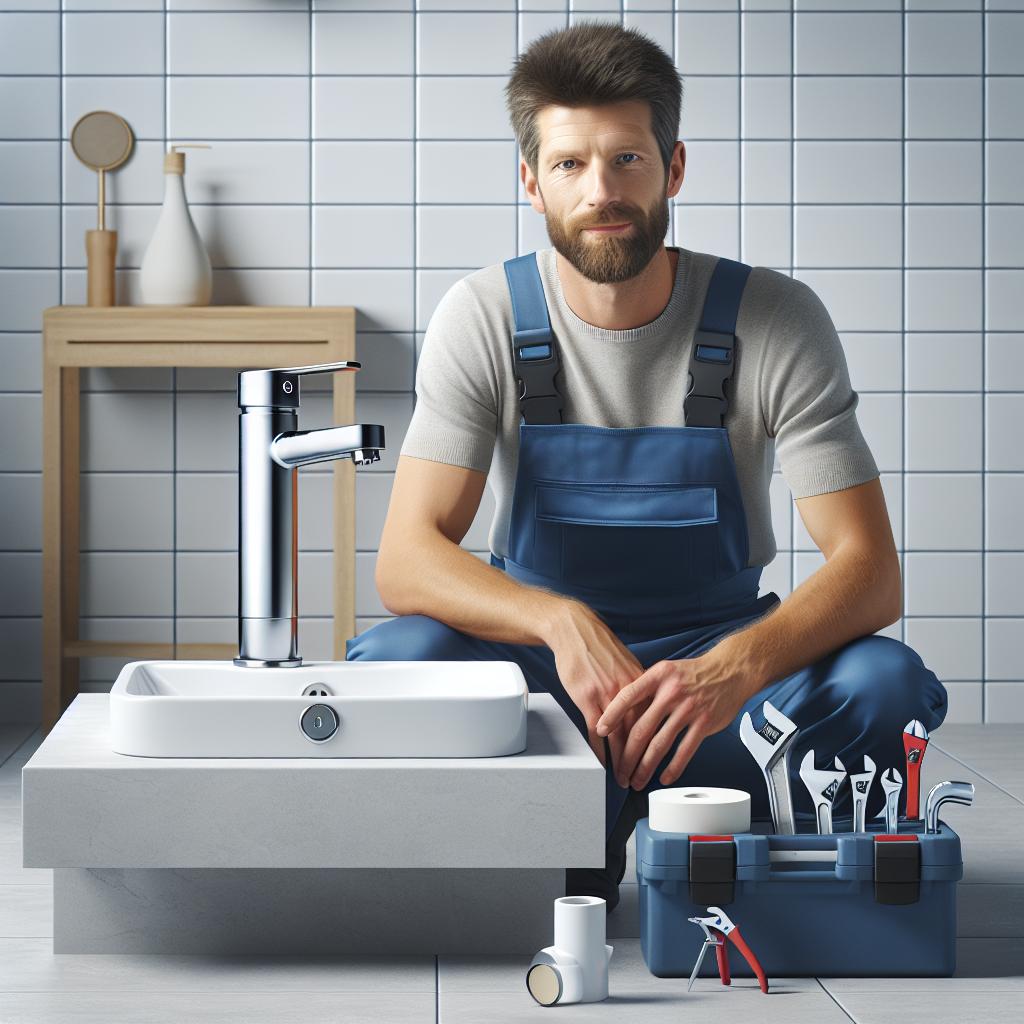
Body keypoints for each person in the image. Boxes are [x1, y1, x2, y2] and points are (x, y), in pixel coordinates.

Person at [346, 21, 947, 912]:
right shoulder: (482, 316)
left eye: (627, 159)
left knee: (882, 682)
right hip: (550, 687)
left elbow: (870, 571)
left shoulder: (776, 319)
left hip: (717, 679)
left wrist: (734, 667)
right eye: (570, 165)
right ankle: (551, 830)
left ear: (673, 168)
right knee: (397, 659)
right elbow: (407, 561)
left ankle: (758, 852)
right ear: (531, 180)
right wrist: (557, 623)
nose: (602, 191)